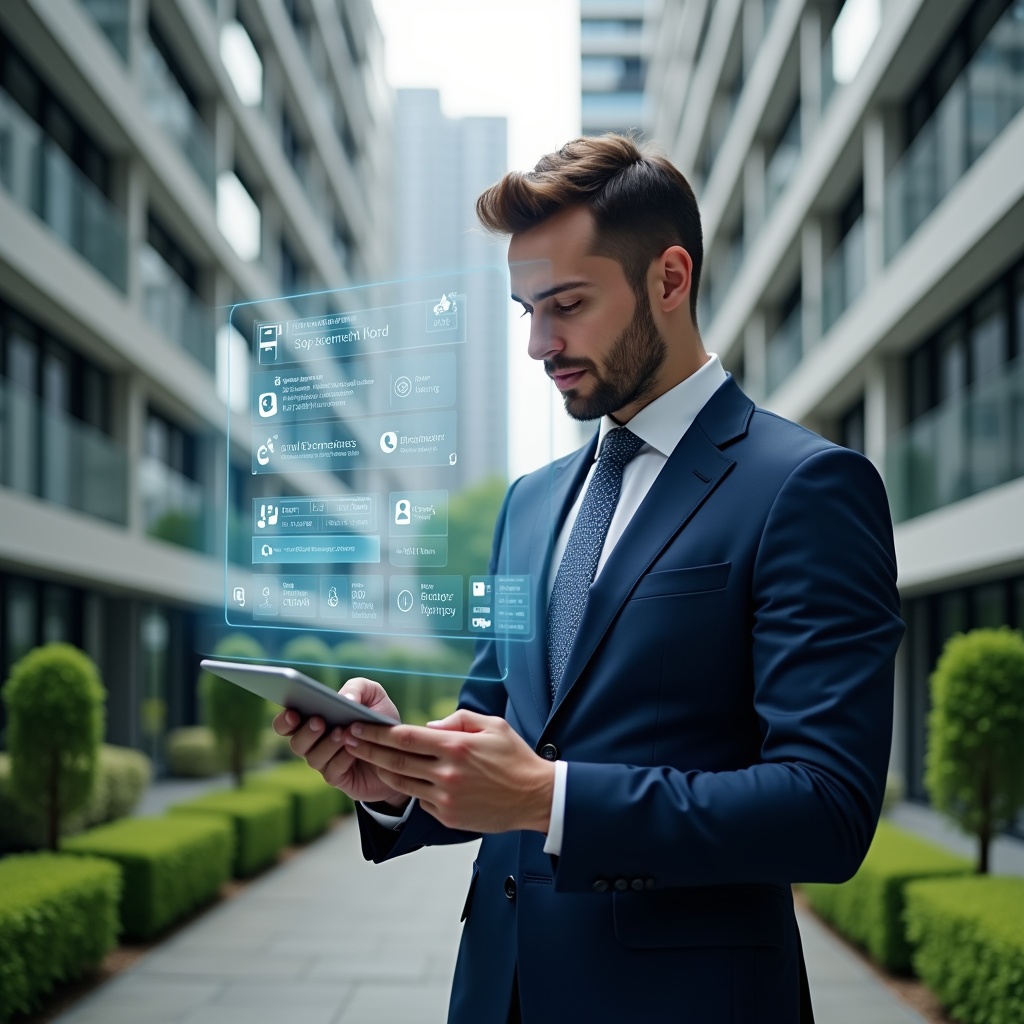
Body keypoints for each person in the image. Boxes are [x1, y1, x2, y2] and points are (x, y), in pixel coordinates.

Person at [274, 135, 904, 1024]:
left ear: (670, 279)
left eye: (565, 304)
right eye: (525, 309)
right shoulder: (530, 504)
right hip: (499, 993)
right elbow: (503, 728)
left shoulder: (806, 487)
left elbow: (826, 807)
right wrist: (398, 777)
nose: (538, 343)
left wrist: (549, 798)